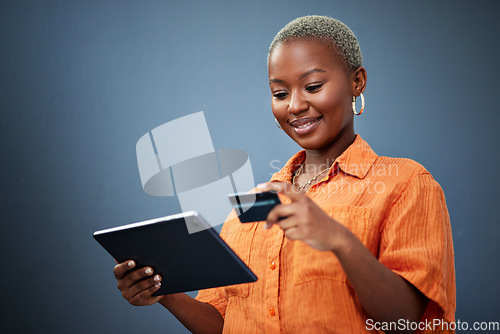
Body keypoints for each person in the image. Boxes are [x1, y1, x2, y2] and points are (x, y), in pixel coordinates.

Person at [112, 15, 455, 333]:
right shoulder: (252, 207)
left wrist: (337, 238)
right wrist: (163, 290)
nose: (294, 105)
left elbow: (409, 320)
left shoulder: (406, 184)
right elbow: (225, 323)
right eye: (279, 93)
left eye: (313, 86)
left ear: (357, 82)